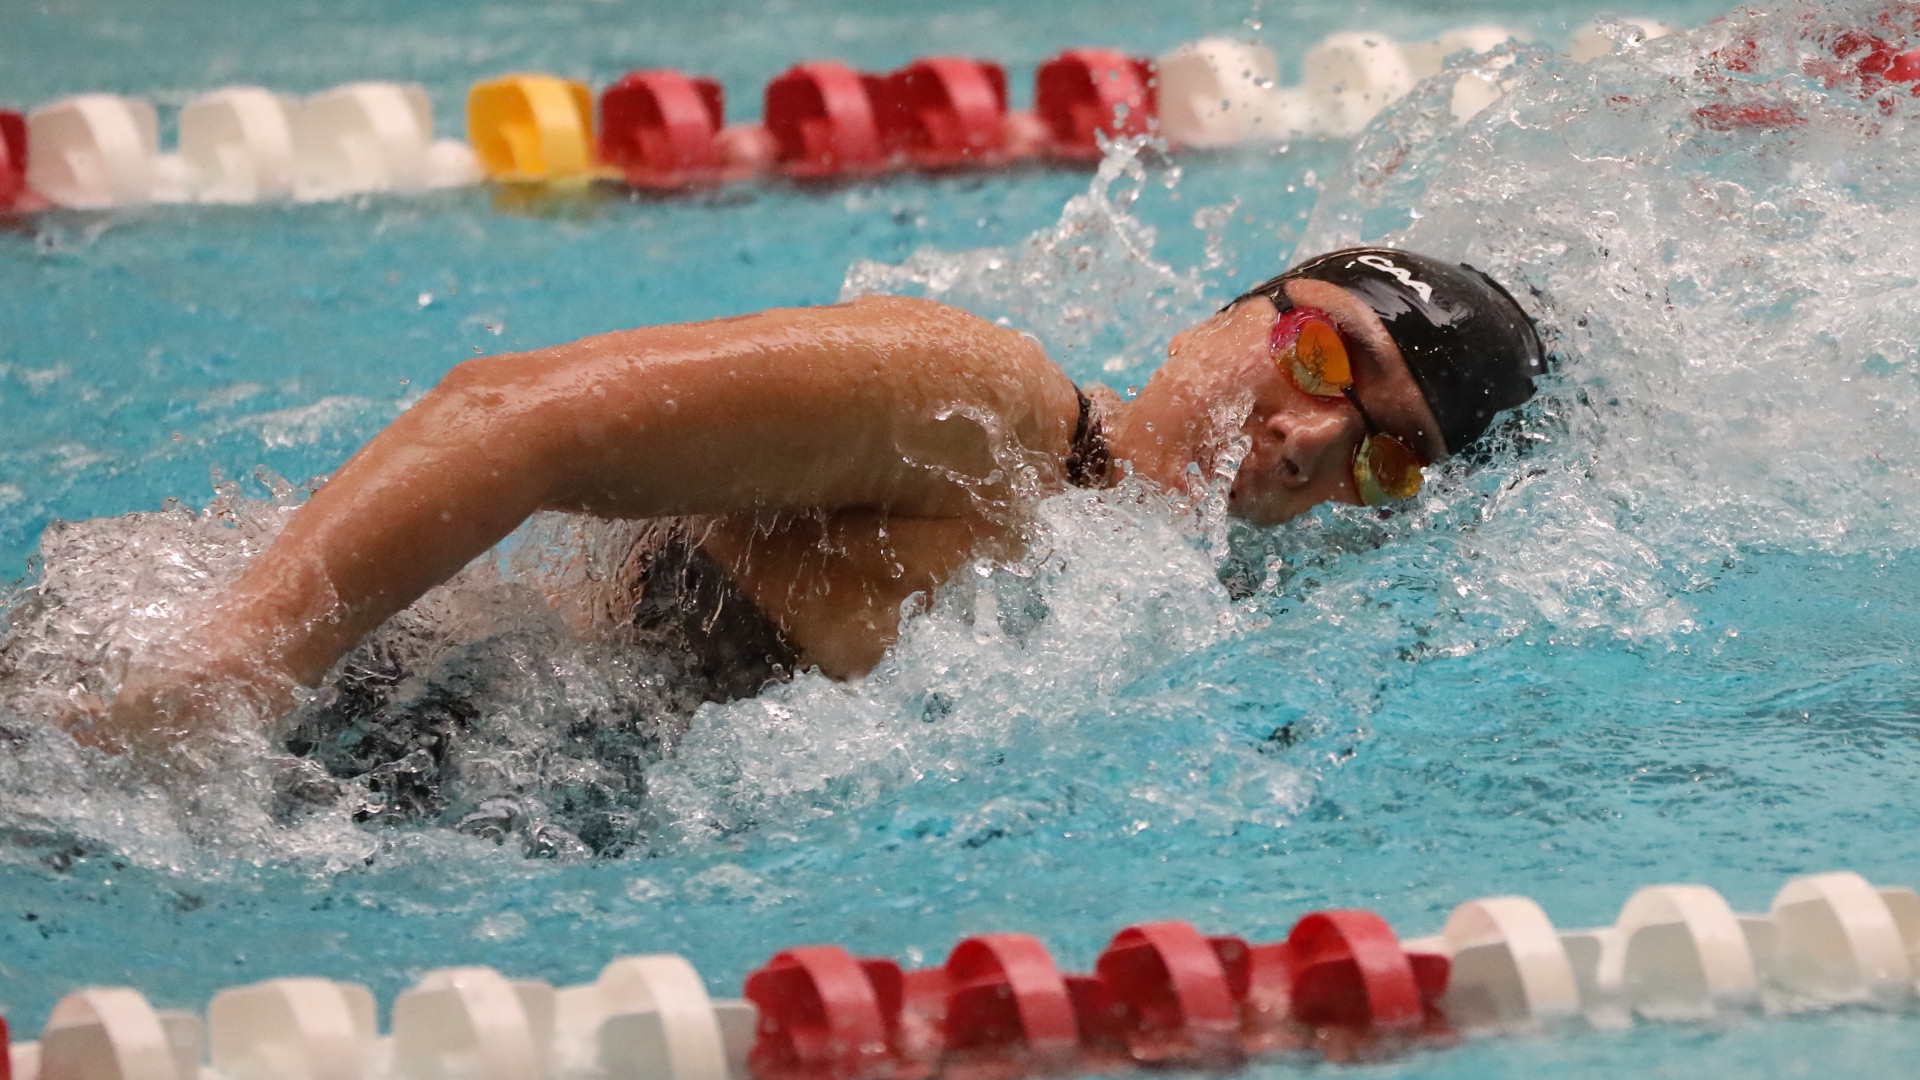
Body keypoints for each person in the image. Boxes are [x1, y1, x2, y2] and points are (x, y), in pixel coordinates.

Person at [88, 247, 1545, 752]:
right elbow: (513, 416)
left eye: (1385, 454)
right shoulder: (984, 411)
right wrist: (230, 669)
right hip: (298, 711)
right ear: (1238, 309)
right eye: (1324, 357)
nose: (1307, 441)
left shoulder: (1154, 613)